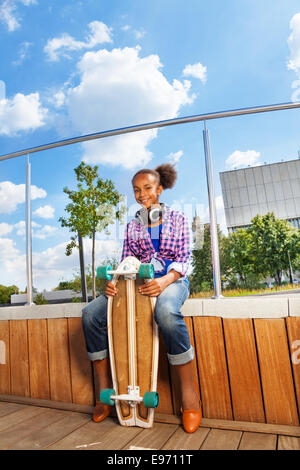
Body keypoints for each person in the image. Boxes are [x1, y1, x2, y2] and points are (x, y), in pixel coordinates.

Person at [81, 163, 201, 433]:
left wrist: (165, 281)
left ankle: (190, 398)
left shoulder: (179, 219)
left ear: (159, 189)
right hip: (136, 284)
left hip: (172, 280)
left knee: (167, 314)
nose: (141, 193)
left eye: (147, 188)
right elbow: (126, 261)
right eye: (136, 190)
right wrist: (113, 284)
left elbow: (184, 260)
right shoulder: (132, 226)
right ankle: (105, 393)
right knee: (91, 314)